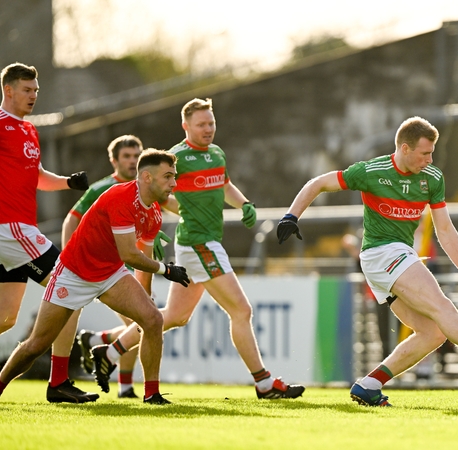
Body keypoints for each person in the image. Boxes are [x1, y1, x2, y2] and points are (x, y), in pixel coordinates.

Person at [278, 116, 458, 406]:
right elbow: (319, 182)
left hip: (395, 258)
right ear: (405, 149)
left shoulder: (432, 178)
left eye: (432, 153)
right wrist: (292, 216)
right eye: (424, 153)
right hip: (381, 254)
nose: (429, 160)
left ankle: (369, 384)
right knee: (442, 306)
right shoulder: (372, 171)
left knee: (432, 334)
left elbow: (445, 229)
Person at [88, 98, 305, 399]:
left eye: (211, 123)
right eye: (201, 124)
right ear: (185, 126)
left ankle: (110, 353)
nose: (208, 129)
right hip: (199, 243)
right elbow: (155, 195)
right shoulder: (176, 158)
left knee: (175, 316)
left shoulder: (216, 153)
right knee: (241, 310)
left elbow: (225, 185)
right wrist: (154, 228)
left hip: (203, 244)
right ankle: (264, 382)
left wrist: (243, 203)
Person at [0, 149, 190, 405]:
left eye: (174, 176)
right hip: (73, 274)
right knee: (37, 344)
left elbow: (142, 258)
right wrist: (167, 269)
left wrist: (146, 297)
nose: (174, 183)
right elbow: (130, 254)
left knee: (152, 319)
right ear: (147, 177)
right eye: (168, 176)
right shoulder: (120, 196)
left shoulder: (154, 213)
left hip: (110, 274)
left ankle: (152, 394)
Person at [0, 62, 97, 404]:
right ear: (9, 90)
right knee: (71, 289)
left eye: (36, 91)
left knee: (3, 317)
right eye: (27, 90)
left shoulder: (29, 131)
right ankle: (58, 382)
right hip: (10, 229)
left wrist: (67, 183)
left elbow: (37, 175)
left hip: (11, 234)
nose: (33, 96)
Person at [60, 134, 155, 399]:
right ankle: (118, 378)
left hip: (127, 268)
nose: (132, 161)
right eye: (126, 156)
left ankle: (102, 347)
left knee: (138, 325)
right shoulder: (101, 189)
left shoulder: (147, 189)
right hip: (100, 270)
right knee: (141, 324)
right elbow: (71, 219)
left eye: (137, 156)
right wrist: (69, 256)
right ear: (114, 160)